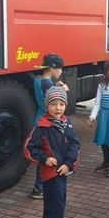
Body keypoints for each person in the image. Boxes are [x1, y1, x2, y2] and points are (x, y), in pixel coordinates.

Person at [24, 86, 80, 218]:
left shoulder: (67, 123)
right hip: (50, 175)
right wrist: (44, 159)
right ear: (47, 105)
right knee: (55, 208)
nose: (58, 108)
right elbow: (28, 148)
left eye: (61, 104)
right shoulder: (41, 127)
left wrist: (69, 164)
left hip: (63, 172)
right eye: (53, 104)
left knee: (58, 205)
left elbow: (74, 145)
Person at [30, 54, 69, 199]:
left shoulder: (39, 79)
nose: (61, 72)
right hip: (47, 120)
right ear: (52, 68)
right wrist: (62, 89)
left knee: (43, 153)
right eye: (59, 69)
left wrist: (55, 85)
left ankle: (39, 186)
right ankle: (39, 187)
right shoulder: (48, 84)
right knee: (48, 155)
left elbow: (46, 89)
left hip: (38, 117)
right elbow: (55, 99)